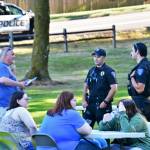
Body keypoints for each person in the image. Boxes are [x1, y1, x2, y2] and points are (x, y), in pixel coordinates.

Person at [39, 91, 107, 150]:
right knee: (97, 144)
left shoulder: (49, 114)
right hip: (67, 147)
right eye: (74, 100)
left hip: (45, 147)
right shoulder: (71, 113)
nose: (76, 103)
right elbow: (87, 131)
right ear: (68, 102)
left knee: (100, 142)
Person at [82, 48, 118, 128]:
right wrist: (83, 99)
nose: (95, 58)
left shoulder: (109, 71)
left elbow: (114, 88)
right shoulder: (91, 71)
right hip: (90, 105)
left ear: (104, 57)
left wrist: (105, 101)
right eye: (94, 56)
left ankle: (105, 141)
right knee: (84, 129)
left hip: (103, 107)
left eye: (98, 56)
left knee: (105, 130)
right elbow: (86, 85)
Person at [0, 47, 25, 120]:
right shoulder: (2, 66)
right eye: (12, 54)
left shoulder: (5, 67)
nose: (14, 56)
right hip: (5, 104)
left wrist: (20, 86)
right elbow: (3, 80)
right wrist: (19, 84)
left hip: (9, 104)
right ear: (5, 56)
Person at [127, 42, 150, 121]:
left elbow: (140, 89)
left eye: (132, 50)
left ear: (137, 52)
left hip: (141, 104)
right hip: (145, 103)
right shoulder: (147, 64)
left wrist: (132, 77)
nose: (131, 53)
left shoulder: (141, 68)